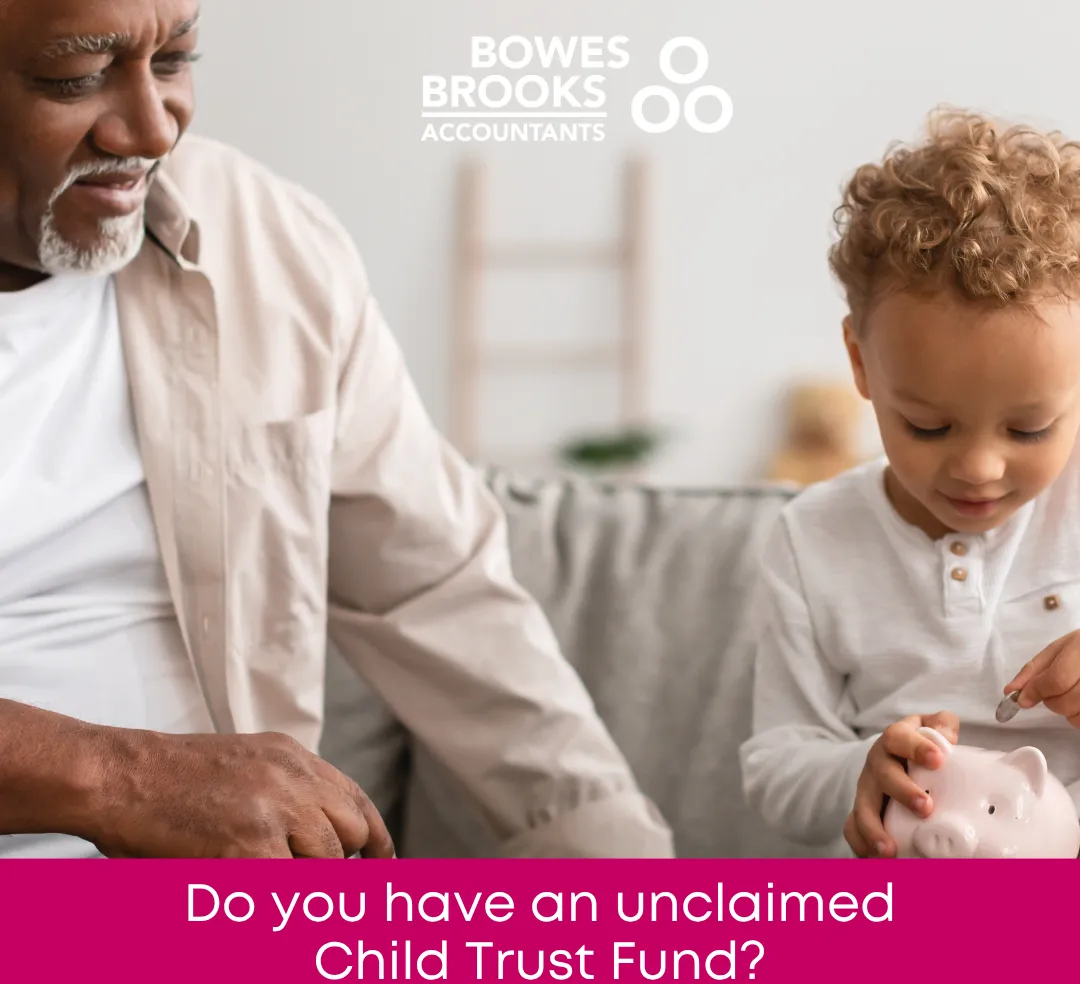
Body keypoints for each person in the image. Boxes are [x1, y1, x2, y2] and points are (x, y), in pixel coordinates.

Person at [0, 0, 673, 859]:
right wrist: (114, 777)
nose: (150, 129)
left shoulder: (270, 240)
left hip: (235, 923)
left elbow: (429, 587)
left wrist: (627, 874)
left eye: (174, 60)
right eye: (76, 76)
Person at [740, 108, 1080, 857]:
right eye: (929, 425)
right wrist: (859, 770)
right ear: (861, 364)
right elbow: (774, 762)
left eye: (1028, 429)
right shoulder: (813, 539)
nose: (978, 468)